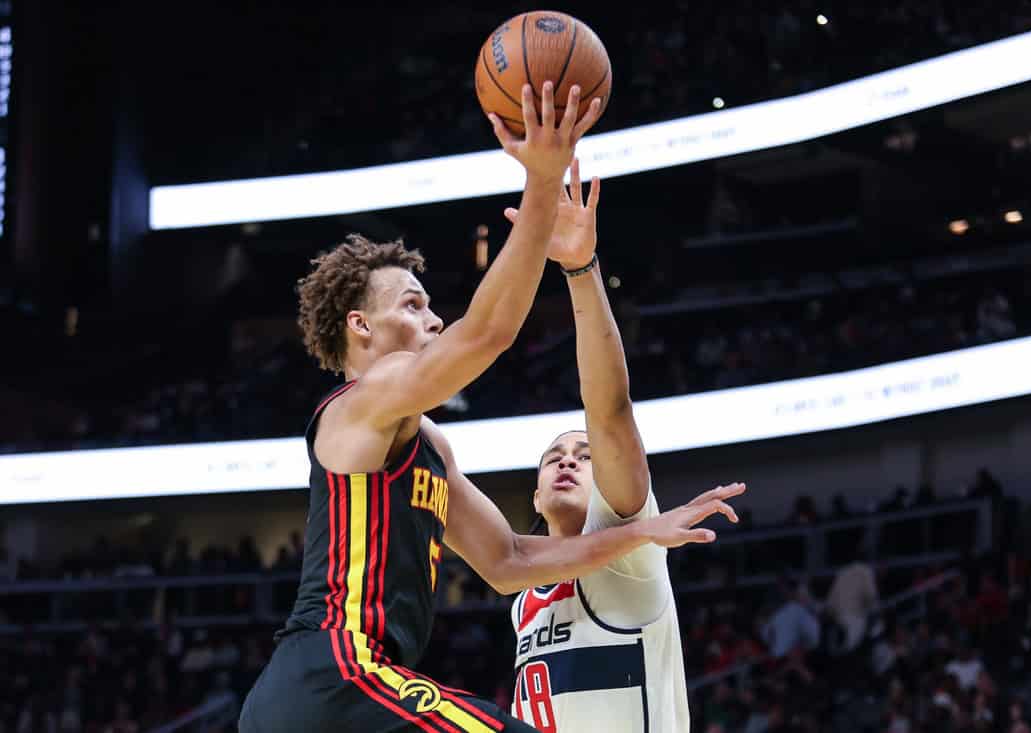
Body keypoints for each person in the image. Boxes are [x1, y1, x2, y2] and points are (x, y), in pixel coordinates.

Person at [238, 82, 742, 733]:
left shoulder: (422, 442)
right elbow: (486, 333)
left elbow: (507, 561)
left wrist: (641, 530)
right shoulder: (360, 404)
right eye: (413, 304)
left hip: (322, 699)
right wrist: (541, 179)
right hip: (337, 676)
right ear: (360, 326)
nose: (432, 315)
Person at [507, 166, 746, 732]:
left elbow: (609, 410)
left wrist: (579, 269)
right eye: (555, 455)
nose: (568, 459)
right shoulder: (521, 595)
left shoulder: (629, 550)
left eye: (585, 456)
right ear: (536, 498)